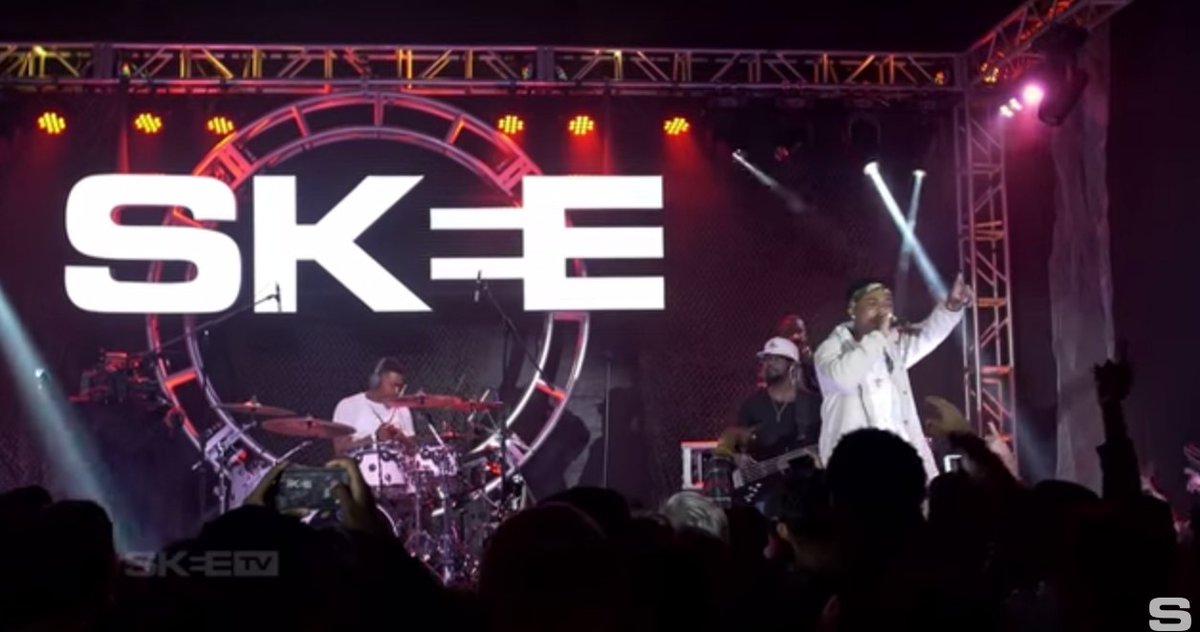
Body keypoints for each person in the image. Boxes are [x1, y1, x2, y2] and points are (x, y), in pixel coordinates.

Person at [813, 274, 973, 480]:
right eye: (872, 303)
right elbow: (843, 378)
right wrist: (879, 336)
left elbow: (926, 335)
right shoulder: (831, 349)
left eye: (887, 303)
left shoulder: (890, 347)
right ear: (852, 309)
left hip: (902, 464)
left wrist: (952, 307)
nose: (882, 310)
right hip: (858, 472)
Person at [716, 337, 823, 508]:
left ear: (793, 367)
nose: (769, 364)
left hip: (803, 489)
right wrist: (738, 457)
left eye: (776, 359)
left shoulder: (814, 404)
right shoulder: (752, 404)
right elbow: (736, 441)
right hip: (761, 491)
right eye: (766, 359)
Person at [331, 357, 418, 456]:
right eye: (393, 386)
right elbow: (340, 449)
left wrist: (402, 439)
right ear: (376, 381)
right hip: (361, 465)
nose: (397, 391)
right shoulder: (348, 405)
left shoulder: (403, 409)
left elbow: (414, 451)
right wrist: (375, 438)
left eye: (400, 387)